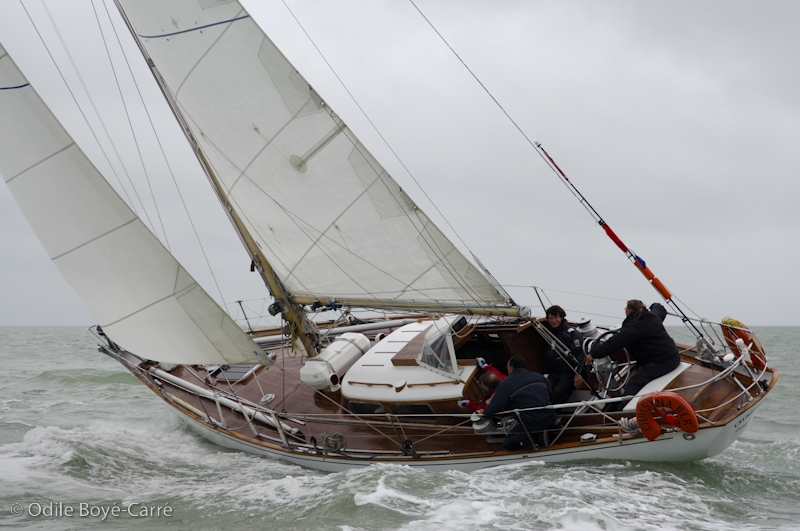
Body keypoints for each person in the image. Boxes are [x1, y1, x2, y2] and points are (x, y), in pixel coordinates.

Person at [585, 300, 680, 406]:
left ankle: (621, 410)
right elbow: (660, 308)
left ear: (629, 310)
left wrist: (593, 355)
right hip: (673, 356)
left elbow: (613, 343)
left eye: (625, 309)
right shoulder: (653, 316)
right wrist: (652, 305)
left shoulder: (633, 328)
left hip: (662, 362)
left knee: (633, 383)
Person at [481, 355, 556, 450]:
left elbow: (496, 405)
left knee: (508, 444)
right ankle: (539, 438)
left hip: (531, 422)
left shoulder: (505, 384)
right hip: (550, 415)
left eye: (507, 367)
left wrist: (485, 414)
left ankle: (534, 449)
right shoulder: (538, 376)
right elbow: (549, 390)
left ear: (511, 368)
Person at [543, 305, 585, 404]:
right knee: (545, 393)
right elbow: (546, 355)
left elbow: (581, 354)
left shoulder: (572, 334)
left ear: (561, 317)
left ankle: (553, 416)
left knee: (558, 394)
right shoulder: (548, 335)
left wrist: (578, 373)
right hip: (553, 373)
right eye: (551, 318)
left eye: (556, 317)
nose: (553, 320)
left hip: (568, 373)